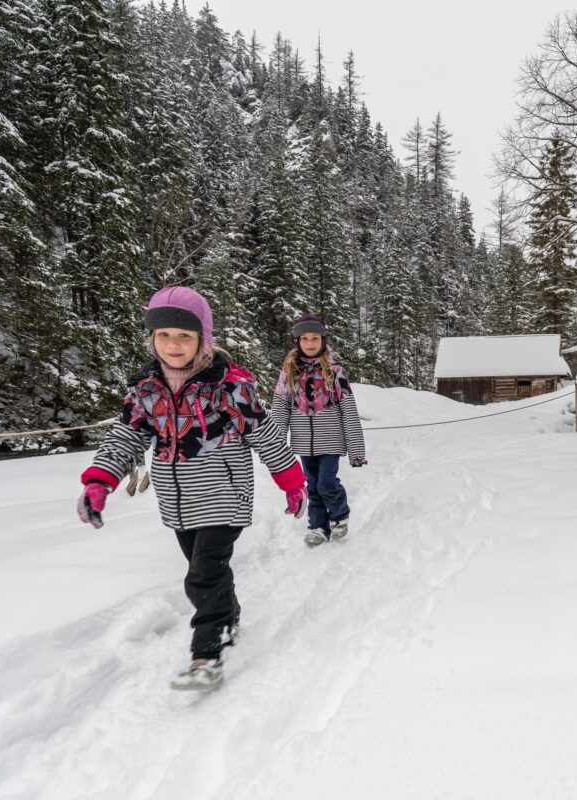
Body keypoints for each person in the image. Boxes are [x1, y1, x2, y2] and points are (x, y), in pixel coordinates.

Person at [76, 287, 308, 691]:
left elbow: (265, 434)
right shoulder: (146, 389)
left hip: (225, 494)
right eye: (163, 335)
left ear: (203, 338)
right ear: (152, 337)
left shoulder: (229, 387)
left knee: (203, 575)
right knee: (206, 570)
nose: (173, 344)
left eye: (184, 335)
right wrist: (99, 480)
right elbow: (126, 437)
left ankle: (207, 654)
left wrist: (292, 482)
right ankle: (229, 617)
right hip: (178, 501)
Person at [271, 314, 367, 547]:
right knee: (312, 485)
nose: (310, 343)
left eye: (315, 338)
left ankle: (339, 516)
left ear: (323, 340)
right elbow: (280, 408)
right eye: (304, 338)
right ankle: (318, 527)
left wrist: (356, 450)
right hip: (304, 442)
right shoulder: (289, 372)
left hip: (331, 439)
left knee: (326, 482)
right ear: (298, 342)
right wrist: (274, 446)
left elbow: (349, 410)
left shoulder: (335, 371)